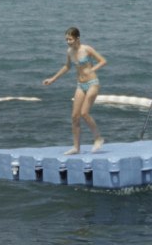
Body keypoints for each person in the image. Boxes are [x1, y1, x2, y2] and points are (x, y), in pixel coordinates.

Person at [42, 26, 107, 154]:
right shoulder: (69, 52)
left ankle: (98, 138)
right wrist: (52, 79)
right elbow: (67, 66)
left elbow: (103, 61)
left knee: (84, 113)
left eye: (70, 39)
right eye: (66, 39)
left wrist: (92, 69)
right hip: (80, 85)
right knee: (75, 116)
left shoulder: (86, 49)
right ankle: (76, 148)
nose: (68, 42)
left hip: (93, 83)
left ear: (77, 38)